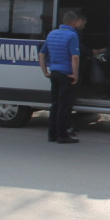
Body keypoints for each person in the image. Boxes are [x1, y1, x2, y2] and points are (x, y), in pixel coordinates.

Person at [39, 10, 86, 144]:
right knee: (64, 106)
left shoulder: (51, 34)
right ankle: (63, 135)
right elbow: (75, 57)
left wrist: (45, 71)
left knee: (55, 104)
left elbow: (42, 54)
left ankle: (51, 134)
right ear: (75, 22)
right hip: (66, 74)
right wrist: (75, 75)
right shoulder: (72, 35)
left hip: (54, 73)